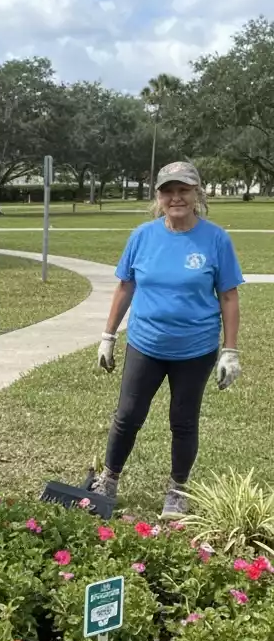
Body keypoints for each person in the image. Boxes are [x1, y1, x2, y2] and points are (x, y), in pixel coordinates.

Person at [91, 161, 243, 517]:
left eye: (184, 190)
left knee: (184, 419)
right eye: (168, 191)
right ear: (158, 197)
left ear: (197, 194)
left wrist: (230, 350)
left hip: (196, 348)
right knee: (128, 415)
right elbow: (126, 286)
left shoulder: (216, 239)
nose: (176, 198)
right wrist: (108, 336)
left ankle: (177, 490)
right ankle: (108, 480)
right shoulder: (142, 236)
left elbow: (228, 296)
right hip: (146, 343)